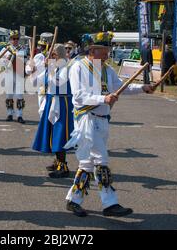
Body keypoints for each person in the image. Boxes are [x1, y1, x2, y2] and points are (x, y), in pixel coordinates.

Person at [64, 32, 154, 218]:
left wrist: (143, 88)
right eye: (104, 50)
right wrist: (103, 98)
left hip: (103, 119)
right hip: (86, 119)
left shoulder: (107, 70)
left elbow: (121, 87)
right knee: (100, 159)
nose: (108, 54)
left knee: (87, 163)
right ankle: (110, 203)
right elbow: (79, 97)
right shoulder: (78, 68)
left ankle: (73, 200)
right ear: (93, 50)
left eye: (108, 50)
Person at [32, 44, 74, 178]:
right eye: (51, 55)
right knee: (52, 132)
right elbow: (38, 81)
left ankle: (63, 166)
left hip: (62, 103)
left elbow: (59, 83)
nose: (51, 57)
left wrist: (48, 68)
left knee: (59, 134)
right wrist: (34, 69)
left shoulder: (66, 67)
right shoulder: (53, 67)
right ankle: (58, 162)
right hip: (51, 101)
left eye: (54, 55)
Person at [0, 30, 26, 123]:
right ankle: (9, 114)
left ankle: (19, 115)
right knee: (9, 95)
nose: (15, 40)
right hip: (9, 74)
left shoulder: (22, 48)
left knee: (19, 96)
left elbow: (24, 61)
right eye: (13, 38)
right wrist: (6, 59)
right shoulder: (5, 49)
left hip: (19, 74)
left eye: (17, 38)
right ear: (10, 39)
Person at [26, 38, 51, 117]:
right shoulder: (38, 57)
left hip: (52, 85)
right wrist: (31, 68)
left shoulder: (52, 56)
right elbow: (28, 70)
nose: (41, 48)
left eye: (43, 46)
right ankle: (43, 124)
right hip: (42, 86)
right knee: (42, 108)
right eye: (40, 46)